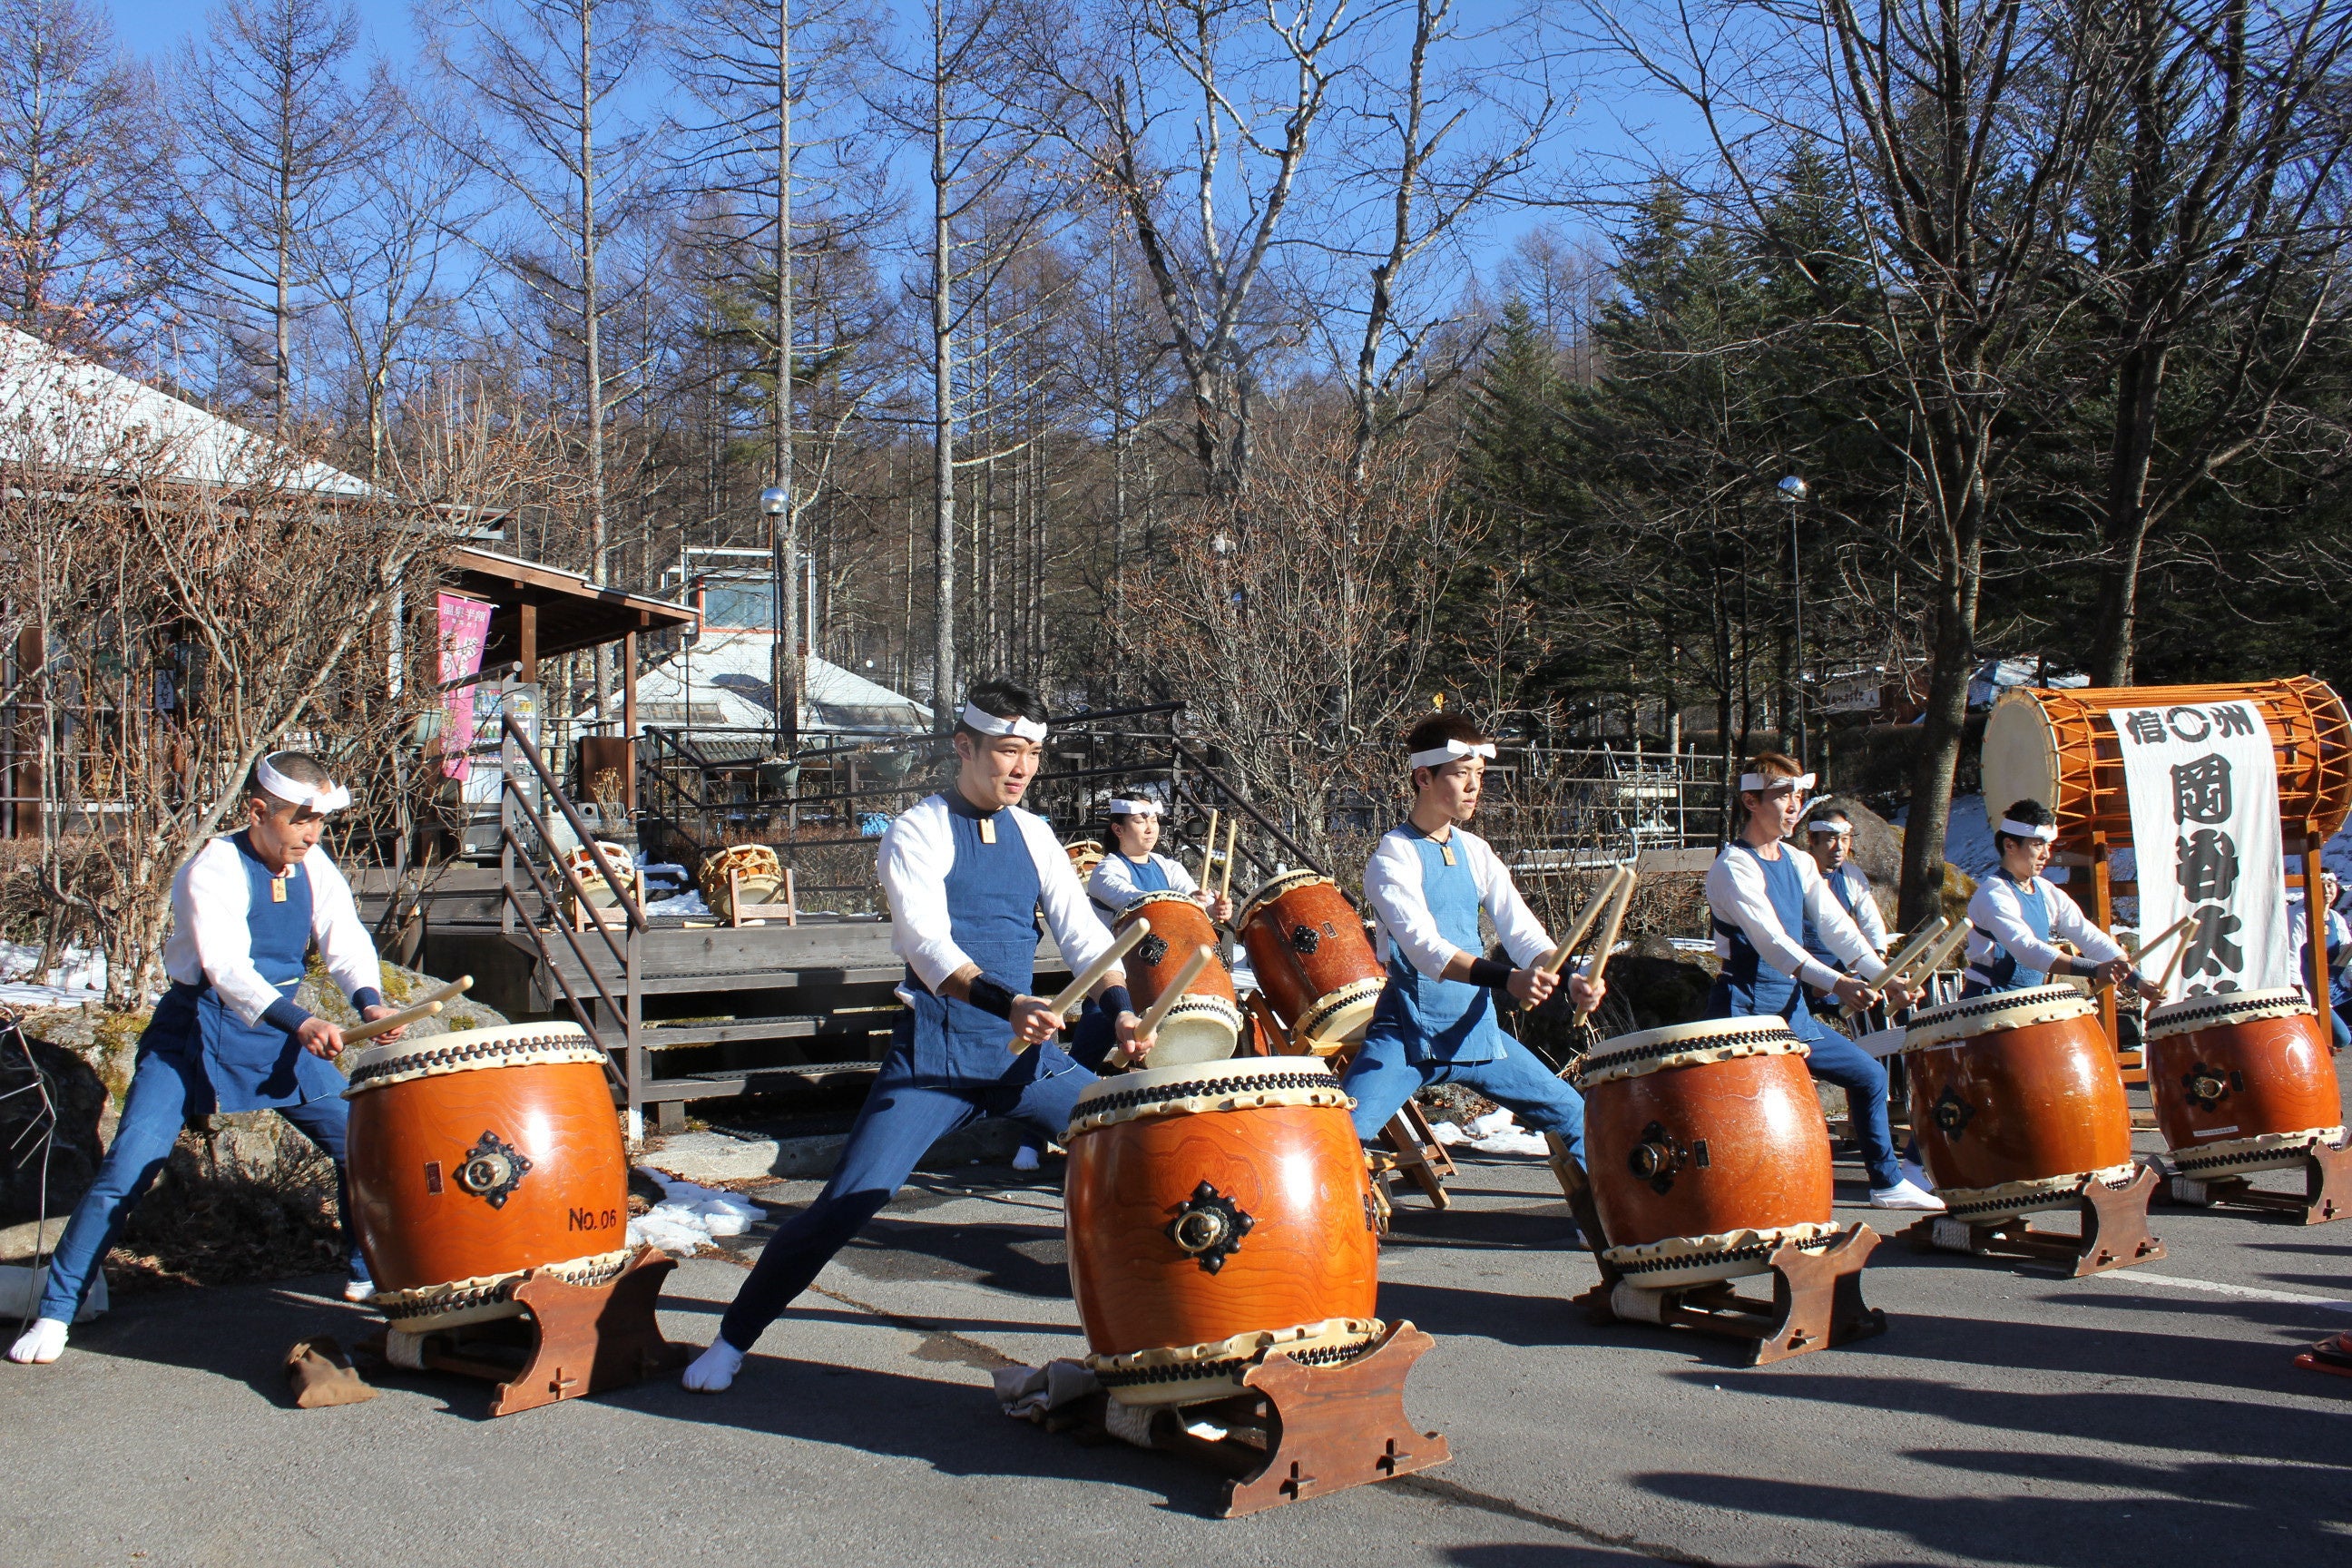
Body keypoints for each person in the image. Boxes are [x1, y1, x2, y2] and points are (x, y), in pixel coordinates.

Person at [681, 681, 1152, 1393]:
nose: (1020, 767)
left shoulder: (1034, 832)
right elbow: (926, 945)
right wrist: (1007, 1000)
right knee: (846, 1204)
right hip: (934, 1060)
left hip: (1025, 1065)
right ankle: (730, 1340)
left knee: (1147, 1151)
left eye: (1031, 754)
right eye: (1006, 751)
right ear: (965, 747)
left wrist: (1118, 1006)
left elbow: (1084, 935)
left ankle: (1165, 1340)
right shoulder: (917, 829)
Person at [8, 753, 408, 1366]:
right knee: (129, 1168)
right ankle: (57, 1310)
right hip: (193, 1034)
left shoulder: (313, 865)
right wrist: (303, 1022)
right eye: (301, 820)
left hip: (274, 1036)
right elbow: (226, 971)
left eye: (319, 822)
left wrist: (370, 1002)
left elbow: (345, 937)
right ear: (258, 812)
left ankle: (362, 1270)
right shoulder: (211, 869)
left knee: (360, 1143)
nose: (311, 834)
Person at [1343, 713, 1604, 1196]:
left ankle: (1606, 1229)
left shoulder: (1476, 851)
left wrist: (1570, 978)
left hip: (1477, 1033)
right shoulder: (1391, 857)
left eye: (1479, 775)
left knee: (1573, 1113)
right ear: (1424, 777)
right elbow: (1425, 951)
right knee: (1337, 1138)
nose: (1473, 787)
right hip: (1407, 1032)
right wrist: (1507, 979)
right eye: (1461, 774)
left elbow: (1523, 933)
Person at [1704, 753, 1943, 1212]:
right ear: (1751, 801)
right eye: (1782, 796)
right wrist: (1837, 983)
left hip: (1790, 1009)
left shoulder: (1797, 861)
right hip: (1744, 1008)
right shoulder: (1734, 867)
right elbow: (1773, 943)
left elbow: (1840, 929)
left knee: (1869, 1076)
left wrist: (1884, 978)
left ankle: (1888, 1183)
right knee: (1737, 1110)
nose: (1794, 806)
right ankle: (1730, 1201)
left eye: (1799, 795)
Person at [1963, 799, 2160, 1004]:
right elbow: (2027, 949)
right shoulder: (1993, 895)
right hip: (1987, 1003)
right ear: (2010, 845)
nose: (2046, 854)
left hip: (2025, 1001)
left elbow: (2088, 936)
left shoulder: (2046, 891)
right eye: (2038, 845)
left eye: (2048, 845)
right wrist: (2096, 969)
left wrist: (2137, 980)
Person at [1084, 798, 1234, 925]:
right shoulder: (1105, 871)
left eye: (1154, 820)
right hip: (1122, 957)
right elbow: (1136, 901)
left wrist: (1212, 907)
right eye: (1140, 821)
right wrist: (1188, 903)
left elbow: (1190, 891)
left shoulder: (1169, 867)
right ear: (1118, 830)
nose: (1150, 828)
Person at [1800, 806, 1890, 976]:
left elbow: (1870, 920)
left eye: (1845, 839)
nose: (1839, 847)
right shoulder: (1795, 872)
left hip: (1845, 970)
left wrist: (1877, 955)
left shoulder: (1852, 875)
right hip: (1804, 971)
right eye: (1831, 839)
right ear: (1812, 839)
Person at [2285, 869, 2351, 1050]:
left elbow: (2346, 954)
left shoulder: (2336, 919)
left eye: (2330, 886)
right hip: (2312, 991)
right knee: (2341, 1038)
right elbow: (2291, 956)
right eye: (2321, 886)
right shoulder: (2300, 918)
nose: (2327, 891)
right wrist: (2300, 992)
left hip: (2336, 990)